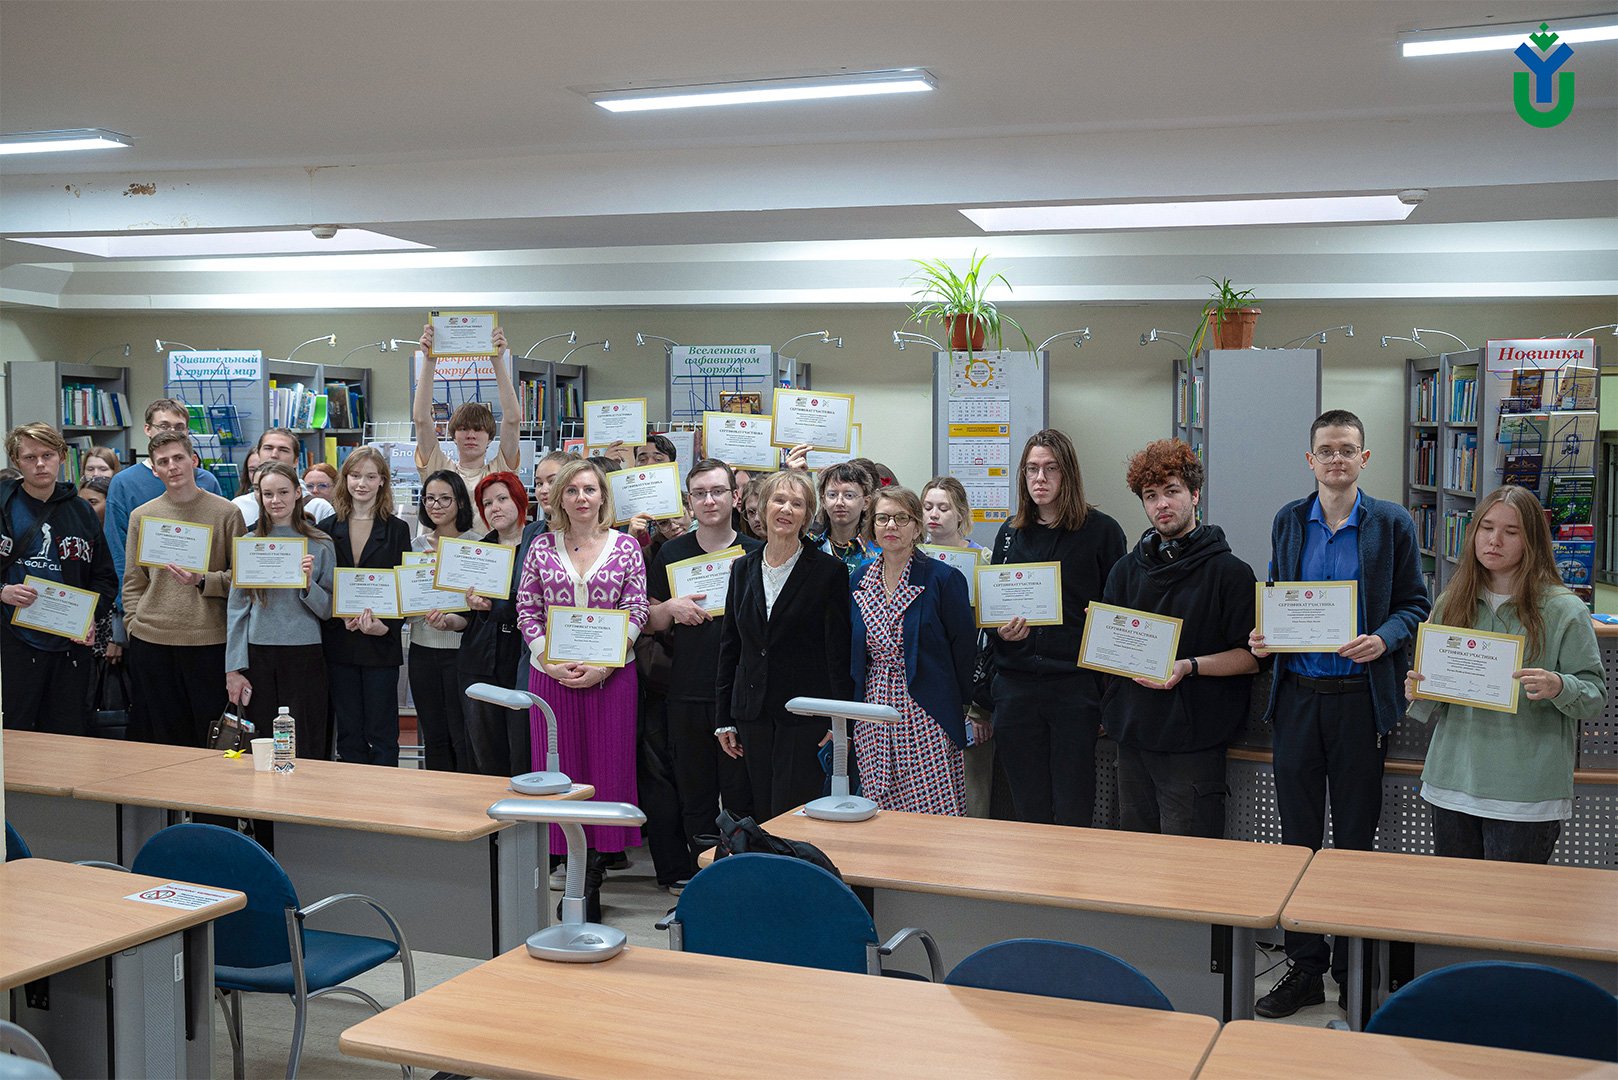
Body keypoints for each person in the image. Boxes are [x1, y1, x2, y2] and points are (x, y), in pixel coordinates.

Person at [1250, 408, 1430, 1019]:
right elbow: (1278, 594)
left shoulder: (1391, 522)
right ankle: (1305, 969)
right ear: (1310, 459)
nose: (1336, 459)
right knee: (1298, 839)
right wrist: (1265, 635)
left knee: (1353, 842)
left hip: (1359, 701)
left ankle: (1354, 972)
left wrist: (1384, 638)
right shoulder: (1288, 520)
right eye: (1325, 450)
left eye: (1346, 449)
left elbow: (1415, 605)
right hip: (1298, 699)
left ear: (1363, 458)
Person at [1405, 486, 1605, 863]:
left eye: (1511, 532)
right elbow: (1436, 697)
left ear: (1533, 541)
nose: (1494, 540)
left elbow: (1594, 697)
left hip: (1524, 794)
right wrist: (1420, 689)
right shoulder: (1452, 600)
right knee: (1454, 897)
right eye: (1486, 528)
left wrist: (1558, 686)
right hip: (1452, 783)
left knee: (1512, 902)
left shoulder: (1565, 610)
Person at [1099, 439, 1257, 838]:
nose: (1162, 504)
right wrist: (1101, 637)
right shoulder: (1124, 571)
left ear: (1195, 494)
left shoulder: (1230, 573)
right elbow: (1110, 656)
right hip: (1133, 737)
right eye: (1151, 496)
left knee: (1189, 863)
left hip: (1193, 744)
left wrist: (1188, 667)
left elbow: (1250, 657)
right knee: (1136, 859)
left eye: (1172, 491)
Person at [515, 458, 648, 920]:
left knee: (607, 773)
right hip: (552, 678)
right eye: (571, 490)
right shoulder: (540, 546)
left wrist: (604, 664)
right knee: (560, 774)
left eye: (589, 489)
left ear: (603, 496)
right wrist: (549, 660)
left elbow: (637, 609)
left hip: (612, 678)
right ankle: (570, 867)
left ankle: (591, 877)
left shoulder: (626, 547)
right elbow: (527, 608)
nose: (581, 498)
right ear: (559, 498)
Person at [986, 429, 1126, 828]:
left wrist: (1106, 695)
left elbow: (1117, 615)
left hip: (1073, 687)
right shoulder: (1010, 533)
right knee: (1026, 807)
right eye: (1031, 469)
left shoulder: (1102, 531)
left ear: (1068, 474)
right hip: (1015, 687)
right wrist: (1001, 632)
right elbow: (994, 609)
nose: (1040, 478)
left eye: (1050, 469)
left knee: (1072, 806)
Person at [716, 470, 855, 818]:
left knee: (792, 813)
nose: (786, 509)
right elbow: (731, 647)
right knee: (757, 812)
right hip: (751, 713)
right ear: (763, 507)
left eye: (797, 504)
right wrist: (724, 719)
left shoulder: (829, 572)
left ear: (807, 516)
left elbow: (838, 655)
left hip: (804, 716)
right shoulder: (742, 569)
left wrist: (839, 723)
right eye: (779, 500)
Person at [646, 458, 761, 873]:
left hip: (740, 695)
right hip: (687, 691)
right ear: (689, 502)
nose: (709, 500)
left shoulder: (755, 553)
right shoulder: (671, 552)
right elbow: (649, 619)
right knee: (694, 795)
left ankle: (741, 880)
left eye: (717, 492)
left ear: (736, 497)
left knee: (741, 795)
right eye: (699, 494)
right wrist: (671, 608)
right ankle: (701, 881)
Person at [850, 486, 976, 814]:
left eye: (901, 518)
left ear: (917, 526)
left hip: (927, 708)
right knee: (880, 811)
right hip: (873, 710)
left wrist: (960, 706)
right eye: (882, 518)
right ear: (872, 526)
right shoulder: (859, 579)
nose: (891, 526)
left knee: (933, 813)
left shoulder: (943, 579)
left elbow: (964, 651)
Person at [123, 430, 245, 745]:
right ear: (154, 470)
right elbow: (134, 580)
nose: (172, 467)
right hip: (152, 640)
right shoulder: (142, 516)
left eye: (178, 458)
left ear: (193, 460)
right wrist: (133, 624)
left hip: (208, 640)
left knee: (207, 737)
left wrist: (202, 579)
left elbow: (242, 580)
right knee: (161, 738)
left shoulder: (226, 513)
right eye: (163, 462)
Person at [0, 423, 119, 734]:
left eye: (48, 455)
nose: (40, 464)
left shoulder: (81, 511)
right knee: (16, 732)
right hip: (14, 642)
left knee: (68, 733)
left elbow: (105, 578)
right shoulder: (3, 506)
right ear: (16, 461)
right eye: (30, 457)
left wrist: (91, 616)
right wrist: (3, 591)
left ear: (62, 457)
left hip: (69, 645)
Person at [224, 461, 335, 758]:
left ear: (298, 493)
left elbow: (328, 609)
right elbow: (237, 610)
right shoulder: (249, 543)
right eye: (268, 493)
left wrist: (308, 586)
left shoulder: (320, 543)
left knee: (305, 741)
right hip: (258, 654)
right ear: (259, 496)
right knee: (261, 743)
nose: (276, 500)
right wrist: (233, 668)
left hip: (305, 653)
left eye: (283, 492)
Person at [317, 446, 413, 766]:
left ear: (382, 481)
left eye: (371, 477)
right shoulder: (326, 529)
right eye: (355, 475)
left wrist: (386, 627)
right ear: (344, 479)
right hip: (340, 641)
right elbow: (324, 585)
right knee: (349, 733)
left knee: (382, 732)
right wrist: (337, 615)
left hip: (380, 644)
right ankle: (350, 794)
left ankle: (384, 795)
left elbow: (403, 588)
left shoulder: (397, 529)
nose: (362, 483)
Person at [459, 472, 535, 776]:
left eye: (502, 499)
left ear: (519, 500)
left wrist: (496, 605)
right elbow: (466, 615)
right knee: (485, 754)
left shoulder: (540, 543)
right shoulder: (480, 551)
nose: (495, 508)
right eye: (487, 503)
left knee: (524, 750)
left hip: (524, 658)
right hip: (481, 658)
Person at [412, 323, 521, 534]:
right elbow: (421, 419)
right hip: (440, 551)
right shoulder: (440, 469)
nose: (471, 435)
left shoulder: (499, 472)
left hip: (488, 552)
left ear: (490, 437)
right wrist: (429, 359)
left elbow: (513, 419)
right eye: (463, 429)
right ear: (453, 435)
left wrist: (497, 361)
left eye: (478, 429)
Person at [406, 470, 479, 772]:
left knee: (462, 735)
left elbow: (481, 611)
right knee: (433, 735)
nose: (436, 505)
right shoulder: (414, 546)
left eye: (445, 498)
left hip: (461, 652)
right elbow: (406, 603)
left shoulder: (477, 545)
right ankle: (436, 797)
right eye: (430, 498)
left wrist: (452, 621)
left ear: (460, 501)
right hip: (422, 649)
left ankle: (465, 797)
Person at [106, 398, 223, 583]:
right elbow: (118, 548)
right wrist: (127, 596)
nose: (172, 432)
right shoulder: (124, 483)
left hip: (201, 590)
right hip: (150, 590)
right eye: (164, 426)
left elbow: (220, 545)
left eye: (179, 427)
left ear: (187, 432)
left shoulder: (206, 481)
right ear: (147, 429)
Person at [232, 429, 334, 527]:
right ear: (258, 454)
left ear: (296, 461)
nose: (274, 455)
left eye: (283, 450)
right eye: (268, 448)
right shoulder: (239, 506)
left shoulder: (319, 507)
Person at [809, 460, 879, 574]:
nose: (839, 502)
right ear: (823, 501)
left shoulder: (878, 551)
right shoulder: (809, 546)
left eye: (849, 495)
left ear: (866, 502)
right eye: (832, 495)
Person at [922, 476, 983, 551]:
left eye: (943, 508)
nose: (933, 515)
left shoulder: (982, 555)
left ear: (961, 513)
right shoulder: (915, 554)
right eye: (928, 507)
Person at [533, 450, 571, 527]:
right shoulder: (530, 530)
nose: (543, 490)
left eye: (552, 481)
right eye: (539, 483)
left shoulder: (588, 532)